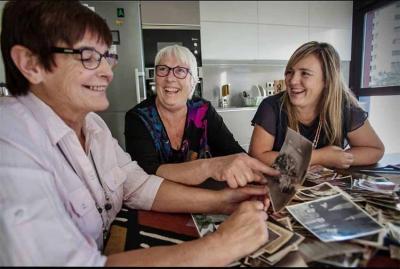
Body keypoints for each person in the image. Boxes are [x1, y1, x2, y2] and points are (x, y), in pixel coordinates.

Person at [0, 1, 279, 266]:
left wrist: (222, 202)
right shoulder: (10, 144)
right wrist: (222, 244)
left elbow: (136, 185)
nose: (107, 72)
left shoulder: (93, 127)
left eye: (107, 57)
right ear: (31, 63)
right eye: (88, 57)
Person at [125, 44, 276, 188]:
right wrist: (209, 167)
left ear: (193, 81)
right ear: (155, 78)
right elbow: (146, 174)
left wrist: (263, 178)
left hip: (205, 199)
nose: (170, 78)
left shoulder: (202, 111)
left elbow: (233, 152)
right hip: (158, 204)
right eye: (163, 69)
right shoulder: (138, 118)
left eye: (180, 71)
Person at [249, 41, 385, 169]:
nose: (292, 80)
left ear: (326, 80)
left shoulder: (344, 107)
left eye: (305, 73)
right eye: (290, 72)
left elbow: (375, 149)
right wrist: (321, 157)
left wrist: (340, 158)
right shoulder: (271, 107)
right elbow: (257, 157)